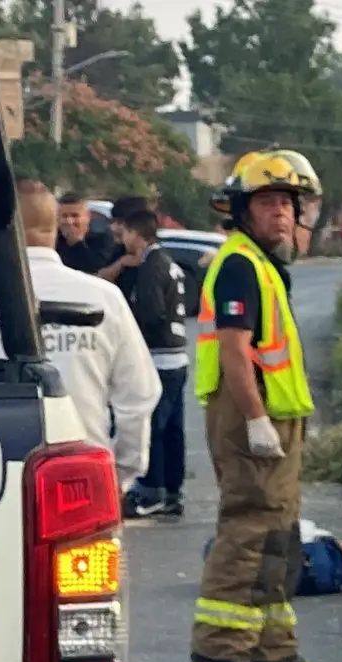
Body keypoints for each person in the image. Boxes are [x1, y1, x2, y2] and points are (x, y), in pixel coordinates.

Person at [186, 152, 315, 662]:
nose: (281, 214)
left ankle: (270, 647)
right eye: (267, 203)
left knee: (277, 535)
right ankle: (217, 654)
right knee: (246, 531)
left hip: (275, 419)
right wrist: (258, 420)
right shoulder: (239, 264)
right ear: (242, 211)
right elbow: (236, 352)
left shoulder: (263, 265)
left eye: (287, 203)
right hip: (249, 418)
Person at [0, 180, 161, 487]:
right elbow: (139, 395)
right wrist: (120, 475)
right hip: (82, 478)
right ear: (55, 225)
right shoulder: (103, 298)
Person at [117, 209, 190, 519]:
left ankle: (152, 491)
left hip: (159, 356)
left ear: (138, 233)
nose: (122, 238)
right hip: (177, 356)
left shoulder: (150, 266)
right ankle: (172, 490)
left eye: (124, 232)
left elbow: (152, 312)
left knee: (154, 428)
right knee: (173, 429)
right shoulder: (168, 262)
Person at [55, 191, 120, 275]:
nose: (69, 221)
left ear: (88, 216)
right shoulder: (53, 239)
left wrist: (77, 243)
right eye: (64, 216)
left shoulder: (103, 237)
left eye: (75, 216)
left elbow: (95, 267)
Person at [96, 195, 150, 288]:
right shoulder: (118, 251)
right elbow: (99, 281)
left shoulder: (154, 261)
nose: (113, 228)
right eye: (112, 221)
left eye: (120, 223)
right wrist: (120, 264)